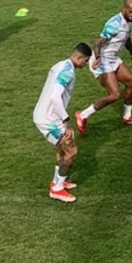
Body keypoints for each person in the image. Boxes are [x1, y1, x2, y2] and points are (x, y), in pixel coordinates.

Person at [33, 43, 93, 203]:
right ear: (79, 57)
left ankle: (57, 181)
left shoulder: (60, 65)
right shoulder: (68, 72)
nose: (85, 65)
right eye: (85, 61)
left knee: (62, 147)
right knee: (71, 151)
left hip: (45, 114)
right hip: (50, 119)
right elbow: (55, 97)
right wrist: (65, 121)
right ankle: (57, 189)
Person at [75, 0, 132, 135]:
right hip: (102, 61)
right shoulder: (115, 24)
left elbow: (126, 38)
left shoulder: (128, 22)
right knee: (115, 94)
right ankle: (82, 115)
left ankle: (127, 117)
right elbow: (97, 42)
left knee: (131, 82)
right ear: (123, 9)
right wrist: (98, 58)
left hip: (112, 59)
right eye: (130, 12)